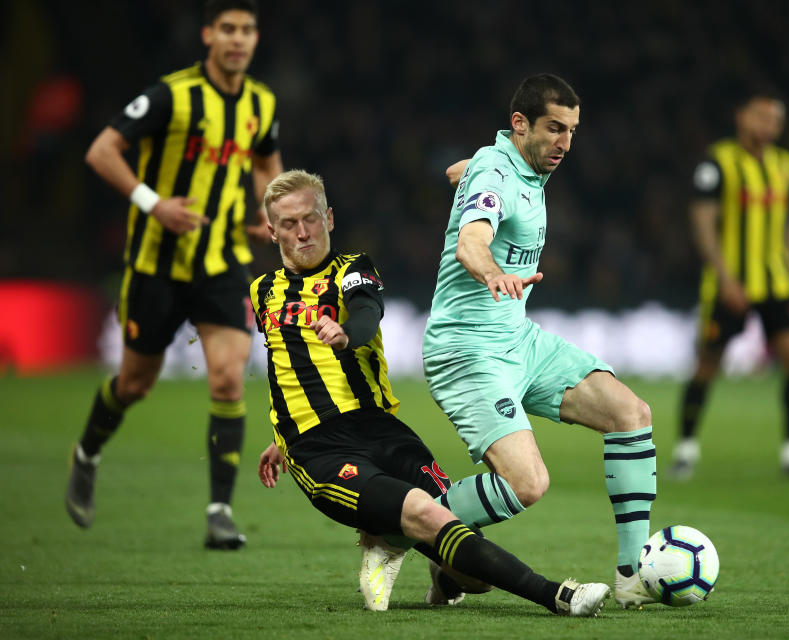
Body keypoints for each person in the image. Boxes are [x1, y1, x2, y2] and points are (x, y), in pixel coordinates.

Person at [252, 169, 610, 616]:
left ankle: (408, 555)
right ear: (271, 231)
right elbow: (284, 368)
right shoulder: (263, 292)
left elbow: (366, 313)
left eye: (310, 218)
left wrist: (345, 332)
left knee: (474, 577)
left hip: (382, 431)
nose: (302, 232)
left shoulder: (353, 270)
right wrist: (281, 435)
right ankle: (559, 596)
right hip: (320, 448)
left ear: (329, 217)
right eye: (288, 224)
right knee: (426, 513)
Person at [423, 74, 658, 610]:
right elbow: (471, 241)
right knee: (526, 484)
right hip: (467, 350)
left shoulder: (517, 165)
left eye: (573, 131)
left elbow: (470, 173)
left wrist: (464, 173)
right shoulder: (497, 170)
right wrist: (491, 273)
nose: (566, 144)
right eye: (555, 128)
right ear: (520, 123)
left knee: (630, 413)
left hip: (518, 340)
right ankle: (402, 525)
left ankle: (631, 577)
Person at [65, 0, 283, 549]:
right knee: (135, 384)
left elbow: (265, 161)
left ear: (256, 39)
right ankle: (87, 452)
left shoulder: (261, 102)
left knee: (229, 378)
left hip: (223, 261)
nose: (238, 39)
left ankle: (219, 511)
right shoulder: (171, 95)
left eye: (247, 30)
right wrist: (153, 202)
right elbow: (102, 151)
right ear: (209, 35)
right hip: (156, 265)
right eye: (227, 29)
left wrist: (270, 212)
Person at [669, 88, 789, 480]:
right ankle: (685, 450)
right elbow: (703, 224)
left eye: (775, 120)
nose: (768, 126)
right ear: (741, 117)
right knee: (707, 365)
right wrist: (725, 278)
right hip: (730, 283)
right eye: (761, 117)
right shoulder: (717, 162)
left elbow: (786, 224)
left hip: (777, 283)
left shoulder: (784, 163)